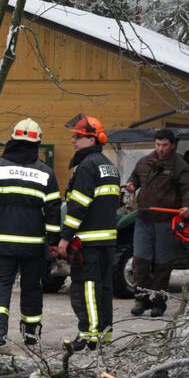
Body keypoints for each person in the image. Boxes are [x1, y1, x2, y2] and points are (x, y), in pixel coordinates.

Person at [0, 118, 61, 349]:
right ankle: (31, 334)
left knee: (1, 285)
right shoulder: (46, 172)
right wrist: (53, 241)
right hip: (33, 244)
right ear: (37, 142)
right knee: (32, 287)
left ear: (13, 138)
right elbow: (52, 211)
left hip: (3, 242)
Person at [57, 114, 120, 351]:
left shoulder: (86, 167)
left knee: (87, 289)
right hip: (107, 241)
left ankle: (89, 336)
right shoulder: (109, 166)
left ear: (92, 140)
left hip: (89, 242)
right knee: (104, 289)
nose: (73, 140)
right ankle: (104, 335)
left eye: (78, 136)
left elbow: (78, 206)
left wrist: (65, 236)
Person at [125, 129, 189, 317]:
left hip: (166, 221)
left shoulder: (180, 165)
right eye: (157, 144)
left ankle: (158, 302)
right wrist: (132, 184)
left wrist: (187, 207)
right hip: (143, 218)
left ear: (172, 145)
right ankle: (141, 300)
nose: (160, 149)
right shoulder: (145, 162)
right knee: (140, 261)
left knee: (162, 264)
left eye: (164, 145)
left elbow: (188, 189)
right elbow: (134, 178)